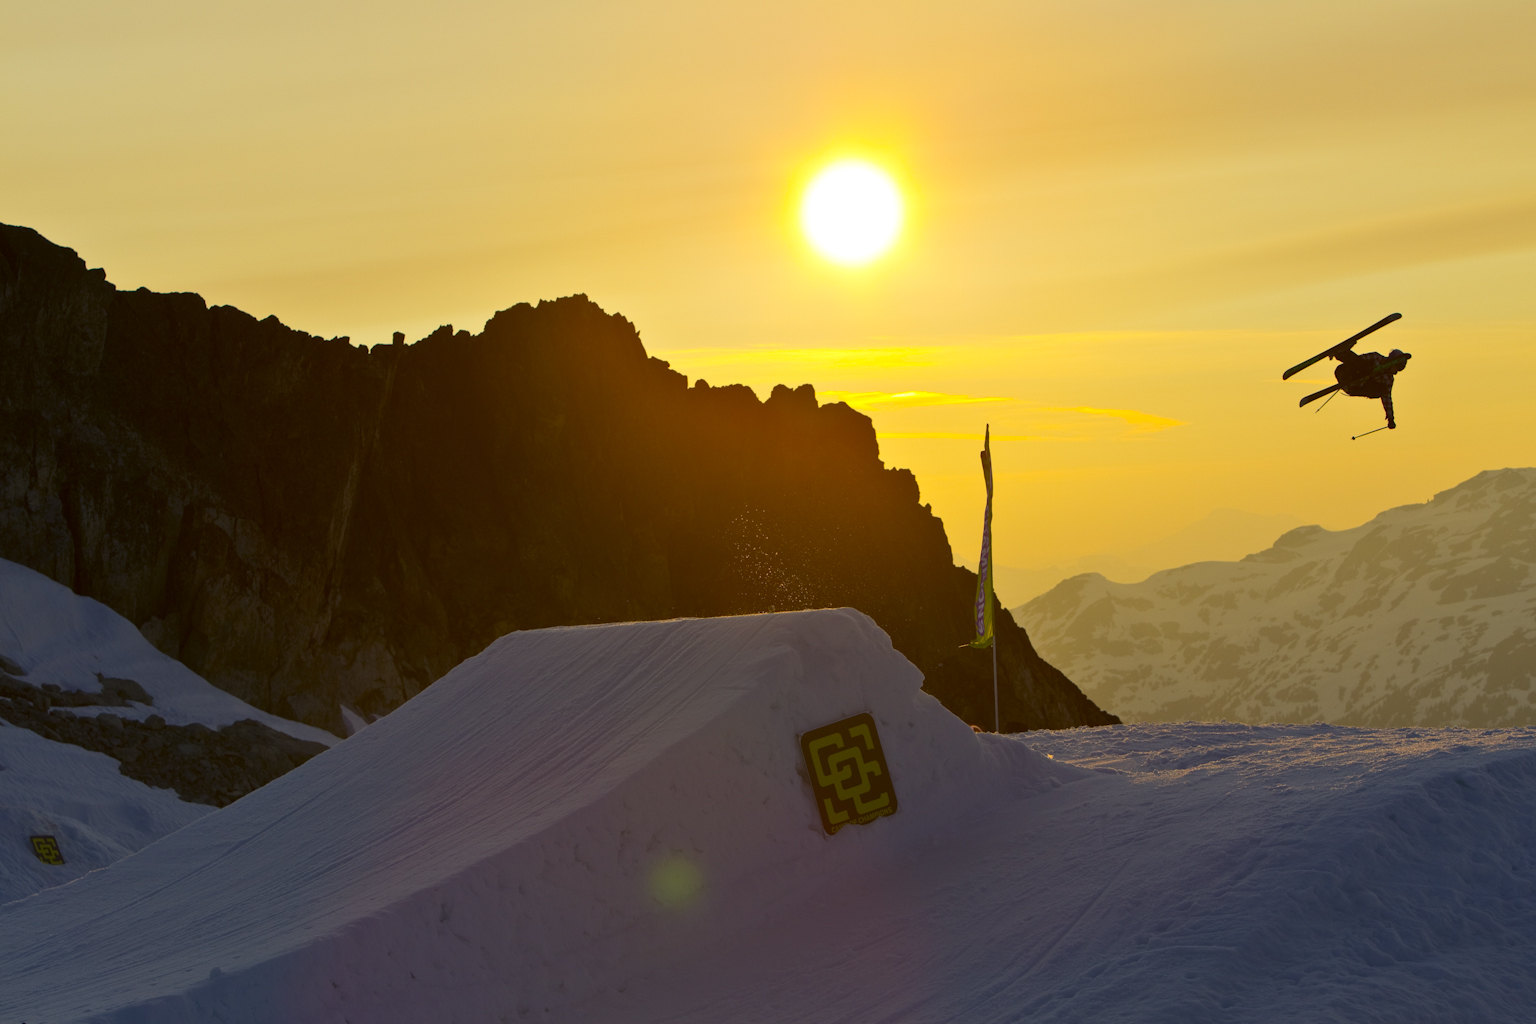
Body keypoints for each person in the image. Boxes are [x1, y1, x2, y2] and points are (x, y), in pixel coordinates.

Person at [1334, 348, 1411, 428]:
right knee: (1364, 365)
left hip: (1353, 388)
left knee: (1381, 389)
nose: (1397, 371)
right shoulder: (1376, 357)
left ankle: (1352, 384)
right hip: (1344, 372)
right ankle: (1342, 353)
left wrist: (1390, 418)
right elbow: (1357, 360)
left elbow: (1387, 398)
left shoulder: (1388, 380)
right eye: (1398, 367)